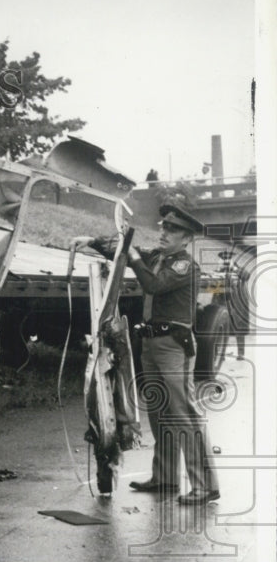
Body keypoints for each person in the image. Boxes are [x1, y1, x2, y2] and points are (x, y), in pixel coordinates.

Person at [80, 204, 219, 505]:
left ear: (186, 239)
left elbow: (153, 284)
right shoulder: (157, 258)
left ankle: (206, 485)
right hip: (153, 343)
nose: (165, 233)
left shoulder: (185, 266)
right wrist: (91, 241)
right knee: (159, 415)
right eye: (164, 227)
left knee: (183, 415)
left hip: (174, 345)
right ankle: (166, 477)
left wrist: (133, 256)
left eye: (173, 230)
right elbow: (122, 250)